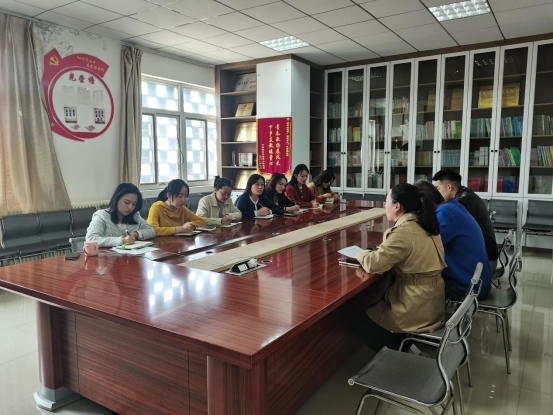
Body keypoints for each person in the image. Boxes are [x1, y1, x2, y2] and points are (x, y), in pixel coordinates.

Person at [350, 183, 447, 351]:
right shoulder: (426, 224)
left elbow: (374, 264)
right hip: (432, 302)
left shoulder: (404, 231)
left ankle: (398, 352)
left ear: (397, 206)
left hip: (415, 305)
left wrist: (360, 253)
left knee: (355, 318)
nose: (385, 205)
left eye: (387, 200)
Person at [414, 180, 492, 301]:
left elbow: (425, 248)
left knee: (411, 284)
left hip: (468, 287)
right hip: (477, 281)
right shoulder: (452, 206)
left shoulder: (445, 214)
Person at [432, 169, 499, 271]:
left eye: (438, 188)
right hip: (484, 256)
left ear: (449, 187)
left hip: (482, 263)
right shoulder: (466, 195)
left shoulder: (462, 203)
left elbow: (440, 237)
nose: (437, 193)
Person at [86, 183, 156, 247]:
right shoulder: (102, 216)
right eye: (127, 202)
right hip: (109, 256)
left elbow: (151, 230)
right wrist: (122, 240)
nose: (130, 207)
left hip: (131, 255)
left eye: (134, 204)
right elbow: (91, 239)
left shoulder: (135, 215)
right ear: (116, 199)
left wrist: (136, 234)